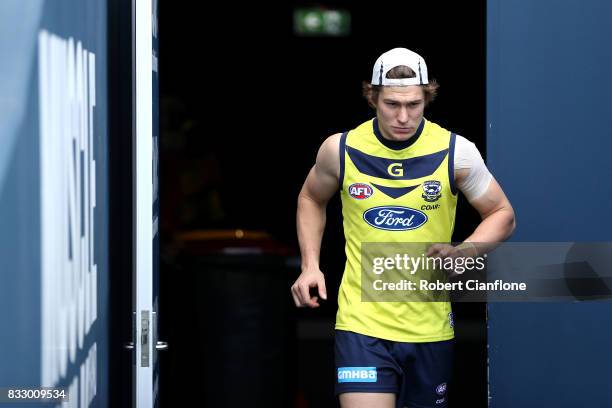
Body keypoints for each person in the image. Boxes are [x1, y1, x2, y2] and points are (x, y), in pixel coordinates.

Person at [290, 47, 515, 408]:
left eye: (414, 104)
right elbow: (311, 199)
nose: (404, 116)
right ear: (372, 97)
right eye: (392, 104)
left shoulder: (456, 151)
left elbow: (502, 213)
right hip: (362, 325)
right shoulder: (341, 148)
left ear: (427, 97)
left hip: (429, 327)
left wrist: (466, 251)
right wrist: (310, 265)